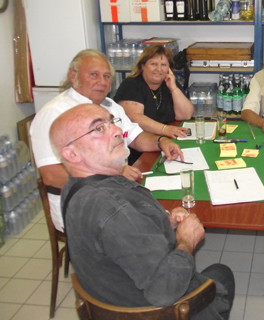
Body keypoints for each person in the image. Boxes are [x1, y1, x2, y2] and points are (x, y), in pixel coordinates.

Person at [49, 104, 234, 319]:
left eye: (111, 122)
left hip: (119, 289)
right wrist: (186, 241)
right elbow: (165, 290)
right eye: (98, 129)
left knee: (219, 274)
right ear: (71, 153)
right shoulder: (113, 209)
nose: (117, 131)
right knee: (223, 275)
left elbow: (118, 238)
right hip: (158, 310)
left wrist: (166, 223)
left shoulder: (75, 188)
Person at [30, 49, 183, 232]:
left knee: (168, 212)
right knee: (159, 226)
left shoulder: (110, 106)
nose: (102, 82)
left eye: (106, 76)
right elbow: (52, 175)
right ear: (73, 76)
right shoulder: (54, 114)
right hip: (82, 208)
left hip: (117, 194)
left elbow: (135, 137)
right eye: (94, 75)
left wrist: (161, 141)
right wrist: (113, 176)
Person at [114, 45, 194, 164]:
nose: (159, 69)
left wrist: (173, 88)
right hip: (139, 150)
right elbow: (135, 118)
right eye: (153, 64)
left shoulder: (168, 83)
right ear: (142, 66)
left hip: (167, 143)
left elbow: (186, 114)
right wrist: (164, 129)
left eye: (163, 65)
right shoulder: (130, 85)